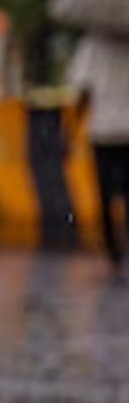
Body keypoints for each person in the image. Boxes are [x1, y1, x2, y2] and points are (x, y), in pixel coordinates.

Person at [69, 31, 129, 279]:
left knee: (104, 195)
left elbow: (83, 89)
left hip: (102, 130)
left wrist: (71, 127)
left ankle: (114, 257)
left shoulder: (92, 43)